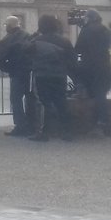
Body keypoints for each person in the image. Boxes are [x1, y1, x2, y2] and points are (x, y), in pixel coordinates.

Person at [27, 14, 76, 142]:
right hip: (59, 75)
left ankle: (43, 132)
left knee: (43, 103)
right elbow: (72, 59)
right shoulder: (64, 41)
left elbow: (25, 52)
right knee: (61, 102)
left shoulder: (36, 41)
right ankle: (67, 131)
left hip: (42, 75)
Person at [74, 10, 111, 134]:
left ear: (89, 18)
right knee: (101, 94)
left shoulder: (86, 30)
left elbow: (78, 48)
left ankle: (96, 121)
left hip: (89, 65)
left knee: (90, 90)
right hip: (104, 65)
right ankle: (102, 121)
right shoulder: (105, 30)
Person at [0, 17, 33, 137]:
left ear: (9, 26)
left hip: (17, 72)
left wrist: (9, 69)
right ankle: (32, 123)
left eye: (5, 25)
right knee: (30, 97)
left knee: (16, 99)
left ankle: (20, 126)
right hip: (30, 72)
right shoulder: (28, 35)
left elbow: (0, 60)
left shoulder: (6, 40)